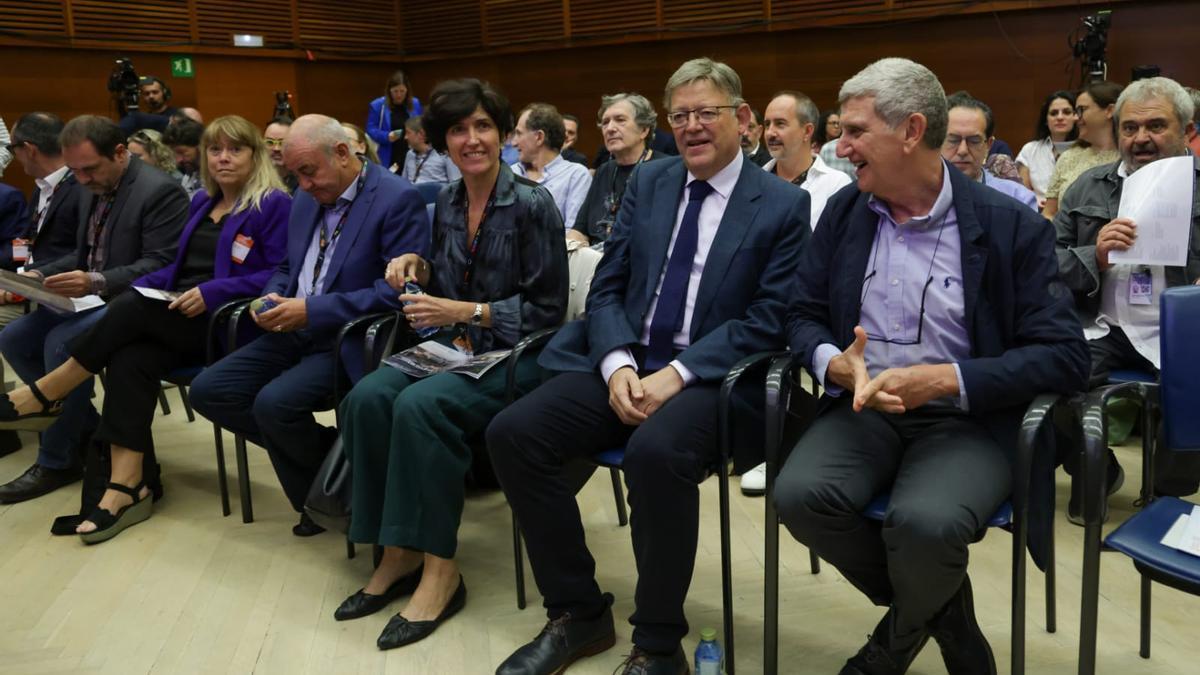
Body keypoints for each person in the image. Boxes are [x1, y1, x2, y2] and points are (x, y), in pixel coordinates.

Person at [487, 57, 810, 675]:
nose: (691, 126)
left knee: (655, 455)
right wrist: (614, 365)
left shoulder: (781, 204)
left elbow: (770, 317)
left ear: (742, 119)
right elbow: (608, 286)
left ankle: (659, 645)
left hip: (717, 378)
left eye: (706, 113)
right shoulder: (652, 182)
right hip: (630, 363)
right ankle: (578, 612)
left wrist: (679, 374)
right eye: (679, 115)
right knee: (513, 433)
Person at [773, 57, 1089, 675]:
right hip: (866, 406)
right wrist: (833, 363)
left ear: (912, 130)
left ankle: (892, 645)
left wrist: (946, 379)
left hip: (970, 419)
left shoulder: (1011, 227)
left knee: (926, 524)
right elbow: (800, 312)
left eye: (856, 132)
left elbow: (1065, 357)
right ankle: (946, 613)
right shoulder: (845, 213)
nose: (841, 147)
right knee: (799, 496)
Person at [335, 78, 568, 650]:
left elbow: (547, 312)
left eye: (483, 126)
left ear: (503, 134)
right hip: (460, 348)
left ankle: (442, 570)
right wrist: (417, 263)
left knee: (420, 407)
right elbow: (447, 277)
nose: (472, 139)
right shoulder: (446, 202)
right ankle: (396, 553)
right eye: (459, 129)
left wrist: (468, 311)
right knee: (365, 398)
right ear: (443, 141)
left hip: (521, 356)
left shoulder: (534, 204)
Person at [0, 115, 290, 542]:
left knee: (130, 308)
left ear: (256, 155)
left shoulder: (273, 204)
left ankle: (47, 393)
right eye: (215, 150)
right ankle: (126, 485)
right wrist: (138, 286)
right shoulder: (203, 203)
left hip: (226, 323)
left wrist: (212, 291)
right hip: (178, 315)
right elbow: (174, 268)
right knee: (129, 357)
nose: (223, 158)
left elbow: (277, 273)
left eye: (236, 149)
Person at [188, 114, 429, 535]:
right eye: (295, 174)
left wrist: (312, 310)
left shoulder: (396, 198)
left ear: (342, 153)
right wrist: (272, 296)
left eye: (308, 172)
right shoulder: (306, 196)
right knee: (210, 391)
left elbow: (395, 293)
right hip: (291, 326)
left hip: (348, 337)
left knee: (274, 405)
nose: (302, 185)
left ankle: (318, 500)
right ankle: (333, 475)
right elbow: (286, 266)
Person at [0, 115, 188, 505]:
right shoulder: (90, 186)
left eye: (89, 169)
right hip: (93, 295)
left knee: (61, 343)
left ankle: (57, 458)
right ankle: (89, 430)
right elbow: (81, 254)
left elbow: (164, 264)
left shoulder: (159, 191)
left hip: (135, 303)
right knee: (14, 338)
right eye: (75, 171)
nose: (82, 180)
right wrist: (39, 273)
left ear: (119, 153)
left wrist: (95, 281)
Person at [1053, 76, 1200, 521]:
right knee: (1046, 375)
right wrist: (1093, 254)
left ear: (1187, 130)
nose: (1141, 139)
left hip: (1183, 329)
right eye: (1130, 128)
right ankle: (1097, 470)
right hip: (1105, 323)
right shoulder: (1087, 188)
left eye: (1156, 126)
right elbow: (1047, 262)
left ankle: (1168, 493)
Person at [739, 89, 852, 496]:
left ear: (807, 131)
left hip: (811, 300)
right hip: (754, 295)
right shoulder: (750, 180)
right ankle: (750, 440)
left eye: (780, 124)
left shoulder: (838, 184)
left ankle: (783, 448)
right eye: (767, 123)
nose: (770, 132)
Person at [1, 112, 87, 296]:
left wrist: (27, 276)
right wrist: (12, 275)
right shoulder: (42, 186)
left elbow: (82, 254)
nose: (13, 156)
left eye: (11, 148)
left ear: (29, 149)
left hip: (54, 289)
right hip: (25, 282)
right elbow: (24, 242)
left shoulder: (83, 190)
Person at [568, 93, 662, 246]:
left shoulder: (664, 169)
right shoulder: (604, 170)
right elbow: (579, 229)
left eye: (620, 120)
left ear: (644, 130)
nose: (610, 128)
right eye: (605, 122)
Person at [941, 91, 1039, 211]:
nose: (963, 151)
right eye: (953, 140)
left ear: (989, 145)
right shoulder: (916, 198)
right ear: (937, 141)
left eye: (974, 141)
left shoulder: (1018, 199)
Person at [1043, 81, 1123, 218]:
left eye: (1081, 110)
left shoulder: (1130, 159)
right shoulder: (1068, 158)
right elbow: (1049, 213)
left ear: (1110, 111)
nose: (1075, 118)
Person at [511, 102, 593, 230]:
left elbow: (572, 236)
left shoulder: (576, 176)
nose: (513, 142)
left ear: (539, 137)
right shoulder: (510, 173)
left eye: (519, 133)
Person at [1015, 90, 1078, 206]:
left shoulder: (1087, 150)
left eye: (1066, 112)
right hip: (1038, 213)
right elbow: (1023, 193)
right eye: (1053, 113)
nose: (1060, 117)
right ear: (1046, 120)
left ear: (1076, 117)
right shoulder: (1030, 150)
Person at [367, 69, 424, 170]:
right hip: (388, 152)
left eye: (402, 91)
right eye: (395, 91)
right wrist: (386, 136)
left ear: (407, 90)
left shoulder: (415, 103)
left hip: (410, 151)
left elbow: (421, 125)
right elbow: (371, 128)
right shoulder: (378, 105)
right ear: (389, 90)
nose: (399, 95)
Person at [400, 116, 461, 184]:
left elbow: (455, 183)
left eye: (408, 133)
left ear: (421, 134)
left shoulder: (444, 154)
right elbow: (403, 182)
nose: (405, 137)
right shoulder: (410, 154)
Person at [163, 116, 205, 199]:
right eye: (174, 154)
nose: (178, 160)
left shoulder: (220, 179)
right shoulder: (188, 176)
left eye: (182, 152)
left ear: (201, 147)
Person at [264, 117, 298, 193]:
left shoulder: (305, 182)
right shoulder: (252, 178)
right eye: (270, 142)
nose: (276, 148)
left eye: (282, 143)